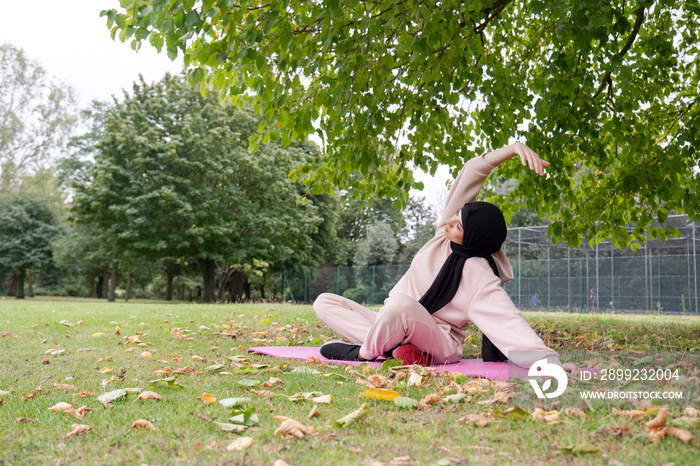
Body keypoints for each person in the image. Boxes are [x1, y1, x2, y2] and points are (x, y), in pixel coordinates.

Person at [313, 142, 561, 369]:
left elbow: (507, 321)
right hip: (393, 320)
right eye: (457, 214)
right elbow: (470, 175)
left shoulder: (477, 272)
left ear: (474, 239)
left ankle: (365, 353)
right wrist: (512, 149)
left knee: (401, 306)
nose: (450, 221)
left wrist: (547, 362)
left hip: (439, 340)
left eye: (459, 225)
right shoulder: (444, 236)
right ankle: (397, 349)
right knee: (324, 302)